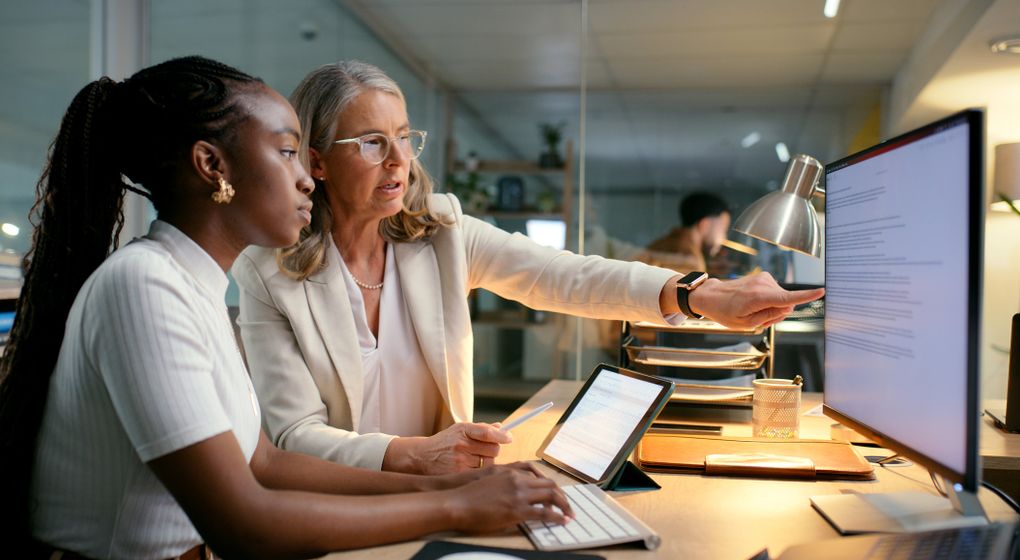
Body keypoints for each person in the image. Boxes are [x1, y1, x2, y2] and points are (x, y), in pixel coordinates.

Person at [0, 56, 571, 560]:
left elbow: (264, 462)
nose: (307, 178)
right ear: (212, 166)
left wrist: (451, 483)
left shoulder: (191, 285)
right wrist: (456, 508)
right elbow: (241, 522)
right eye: (286, 151)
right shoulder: (142, 286)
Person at [232, 60, 824, 476]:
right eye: (370, 143)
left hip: (442, 496)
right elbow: (294, 437)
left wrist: (701, 295)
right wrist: (418, 454)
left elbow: (569, 276)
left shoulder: (441, 234)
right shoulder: (268, 274)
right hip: (341, 511)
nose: (398, 161)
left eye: (406, 138)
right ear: (317, 161)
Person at [644, 191, 732, 274]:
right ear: (705, 225)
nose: (725, 237)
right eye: (723, 229)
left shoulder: (663, 244)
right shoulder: (689, 259)